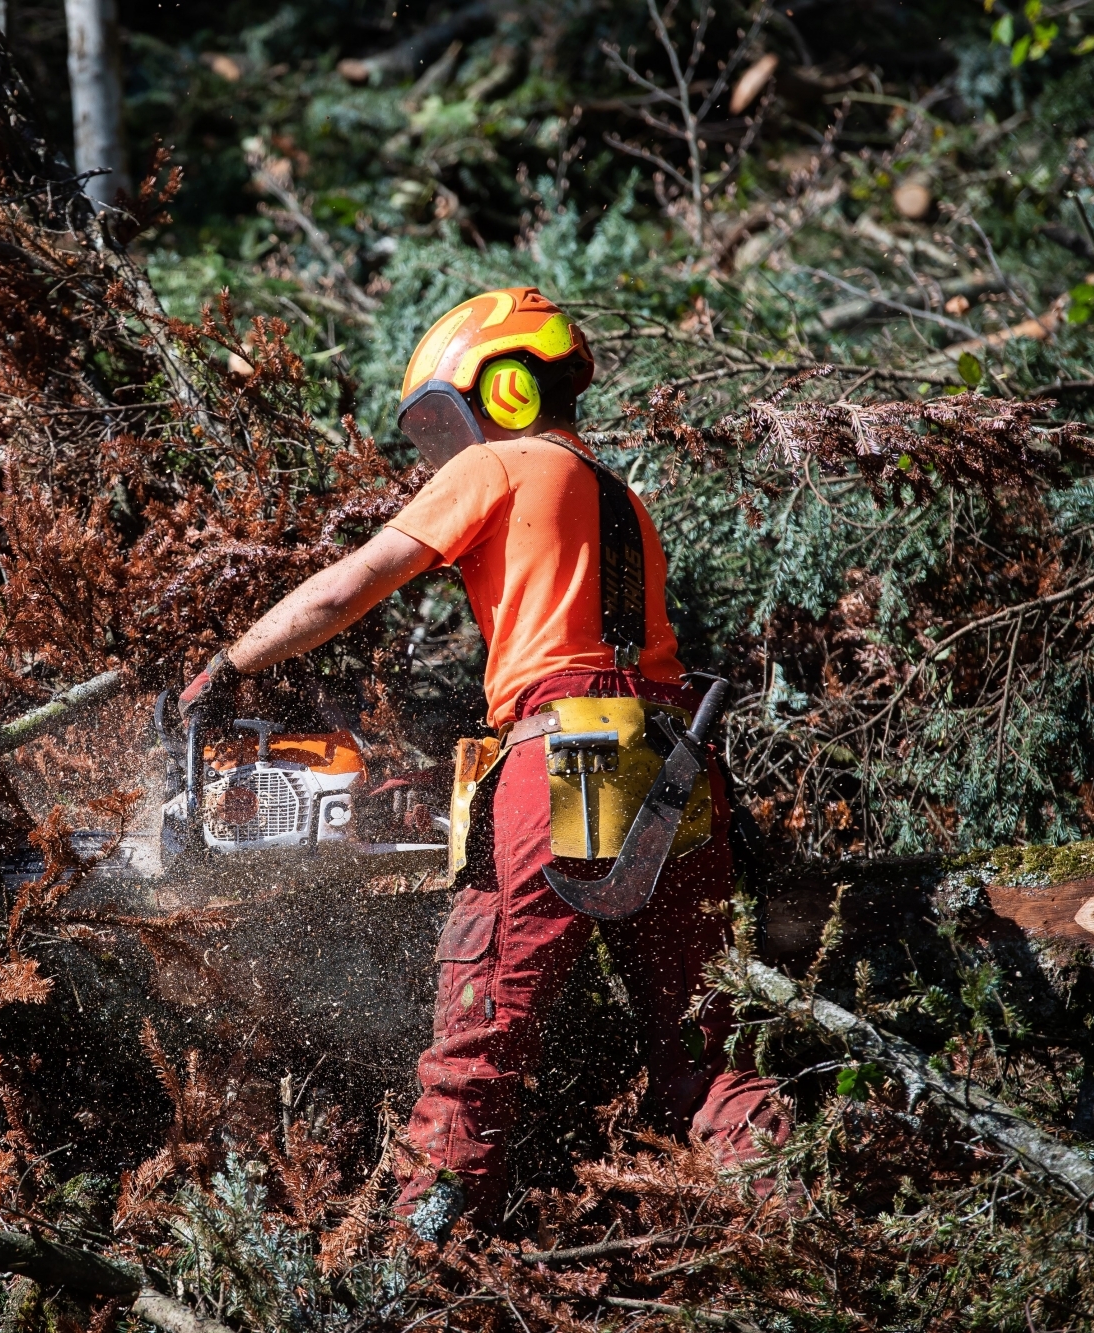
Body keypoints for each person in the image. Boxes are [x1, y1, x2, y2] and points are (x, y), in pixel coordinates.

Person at [178, 287, 787, 1235]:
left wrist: (230, 663)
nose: (440, 442)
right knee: (706, 1047)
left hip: (563, 759)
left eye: (441, 416)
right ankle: (801, 1220)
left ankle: (419, 1267)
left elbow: (349, 587)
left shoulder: (500, 465)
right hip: (671, 762)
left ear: (499, 390)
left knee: (478, 1049)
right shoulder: (620, 497)